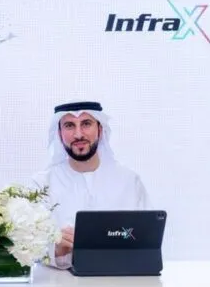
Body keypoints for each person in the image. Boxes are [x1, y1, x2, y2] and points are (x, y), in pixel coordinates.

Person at [33, 101, 151, 269]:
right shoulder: (41, 184)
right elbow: (29, 248)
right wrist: (56, 249)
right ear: (59, 134)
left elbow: (148, 237)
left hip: (122, 281)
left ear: (100, 130)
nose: (78, 134)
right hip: (60, 286)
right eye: (69, 126)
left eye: (86, 124)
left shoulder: (129, 181)